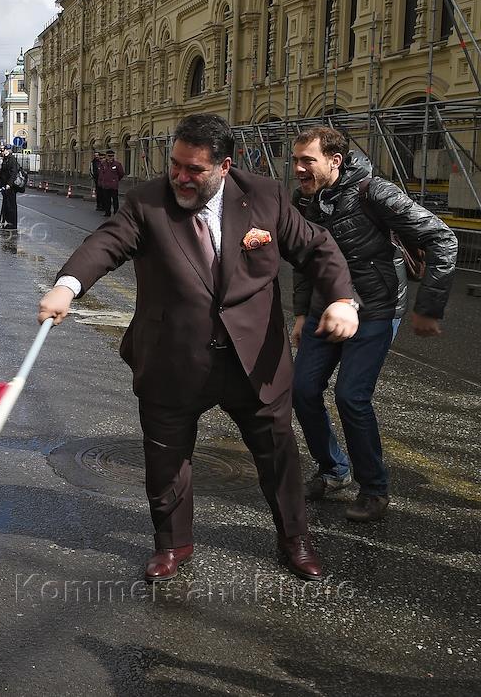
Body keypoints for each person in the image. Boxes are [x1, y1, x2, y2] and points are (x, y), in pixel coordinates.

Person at [38, 113, 359, 584]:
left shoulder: (265, 196)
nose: (181, 177)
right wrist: (67, 286)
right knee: (166, 460)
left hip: (254, 360)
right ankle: (172, 545)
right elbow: (106, 243)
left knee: (278, 456)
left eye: (194, 170)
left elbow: (317, 248)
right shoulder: (148, 202)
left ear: (224, 167)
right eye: (175, 165)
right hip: (174, 357)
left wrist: (342, 300)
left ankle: (295, 539)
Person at [289, 126, 458, 522]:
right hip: (325, 309)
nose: (297, 168)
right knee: (301, 390)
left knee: (351, 396)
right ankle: (333, 470)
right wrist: (301, 314)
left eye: (307, 160)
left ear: (335, 160)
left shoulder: (374, 192)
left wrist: (429, 307)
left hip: (376, 310)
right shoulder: (303, 199)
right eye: (295, 160)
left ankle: (374, 489)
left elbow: (442, 238)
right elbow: (304, 259)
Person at [97, 149, 125, 217]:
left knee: (115, 200)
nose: (110, 157)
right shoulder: (103, 164)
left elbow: (121, 173)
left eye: (112, 156)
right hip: (105, 185)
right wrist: (101, 182)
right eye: (109, 156)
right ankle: (107, 212)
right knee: (107, 200)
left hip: (113, 185)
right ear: (106, 156)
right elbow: (101, 174)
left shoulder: (117, 164)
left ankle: (116, 213)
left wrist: (116, 180)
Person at [0, 144, 19, 231]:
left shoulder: (12, 159)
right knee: (6, 205)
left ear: (7, 150)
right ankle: (6, 222)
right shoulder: (5, 159)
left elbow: (13, 173)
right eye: (1, 151)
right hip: (5, 186)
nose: (1, 152)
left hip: (10, 187)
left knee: (11, 205)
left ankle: (12, 224)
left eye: (2, 150)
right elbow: (3, 173)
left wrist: (9, 184)